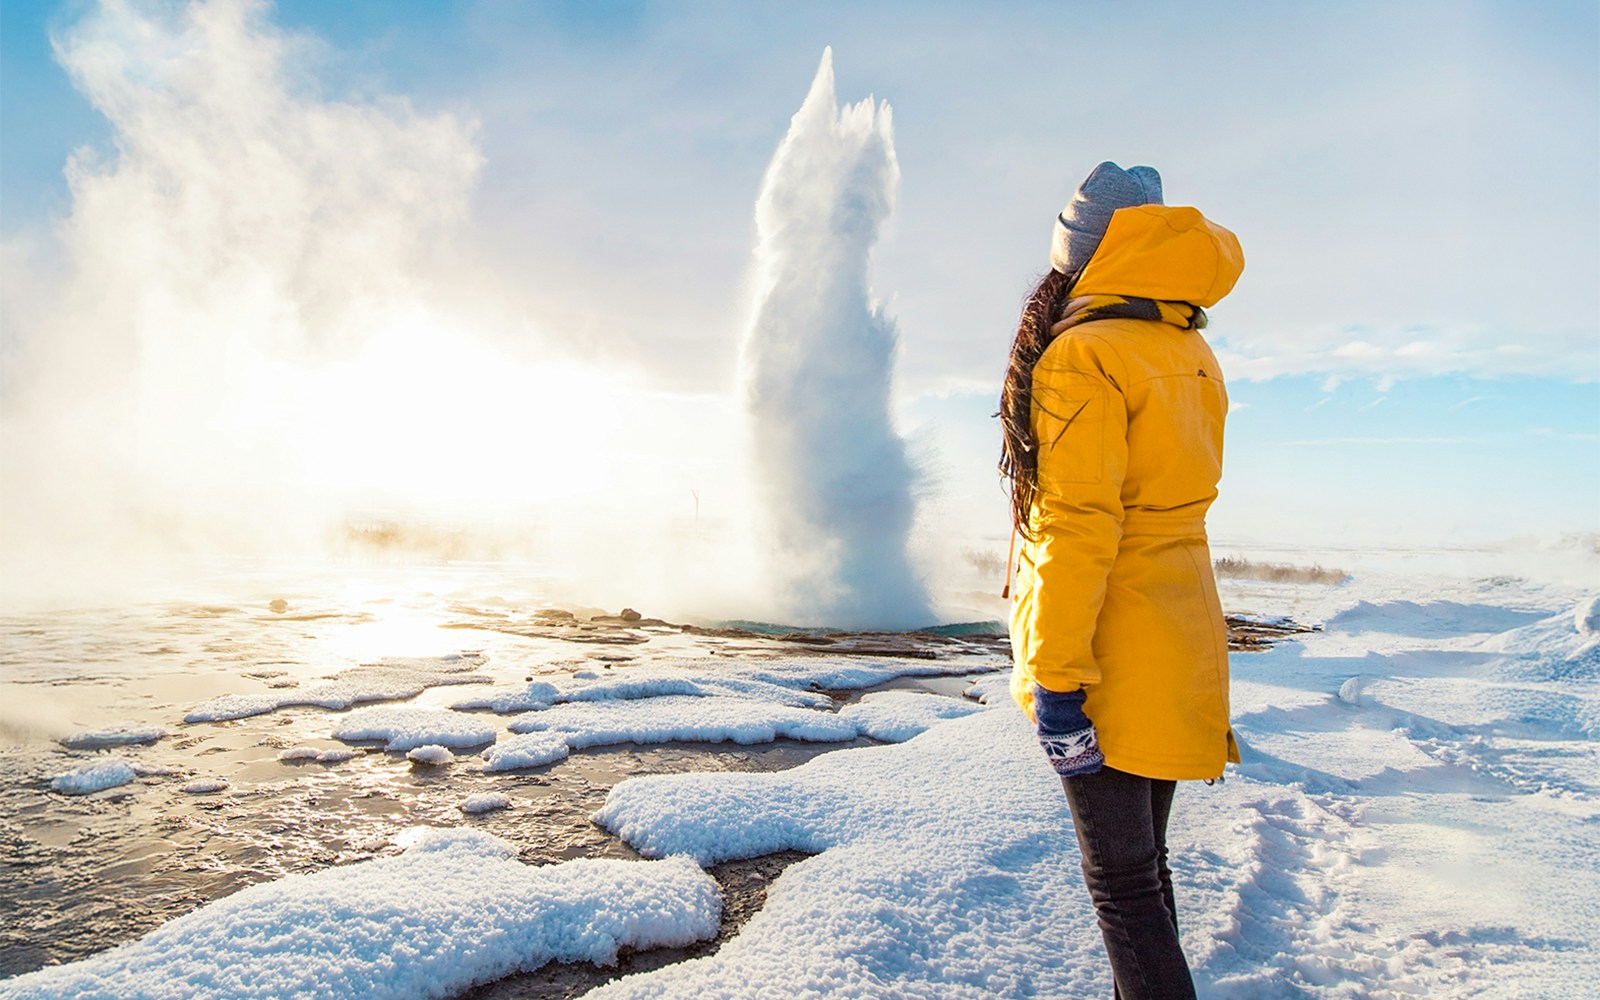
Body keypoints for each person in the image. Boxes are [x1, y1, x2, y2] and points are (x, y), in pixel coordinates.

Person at [999, 161, 1244, 1000]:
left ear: (1088, 253)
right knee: (1145, 876)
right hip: (1181, 643)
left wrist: (1059, 679)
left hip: (1110, 655)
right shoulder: (1187, 346)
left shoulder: (1081, 355)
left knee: (1122, 890)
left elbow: (1079, 524)